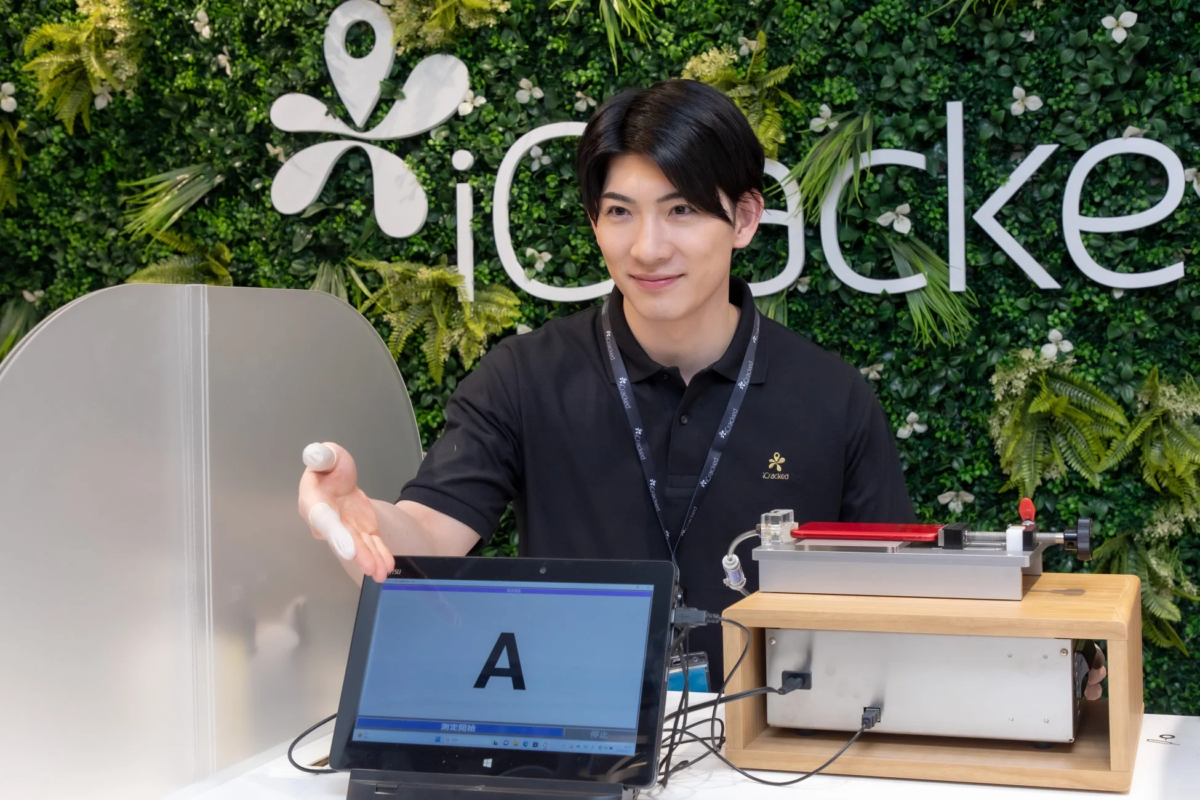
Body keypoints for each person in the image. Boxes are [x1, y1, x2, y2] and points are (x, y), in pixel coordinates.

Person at [297, 79, 916, 678]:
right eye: (620, 212)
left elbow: (895, 602)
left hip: (779, 752)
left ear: (746, 218)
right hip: (574, 747)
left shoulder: (832, 399)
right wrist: (367, 524)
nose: (648, 248)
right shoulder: (523, 379)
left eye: (682, 210)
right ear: (595, 223)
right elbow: (426, 538)